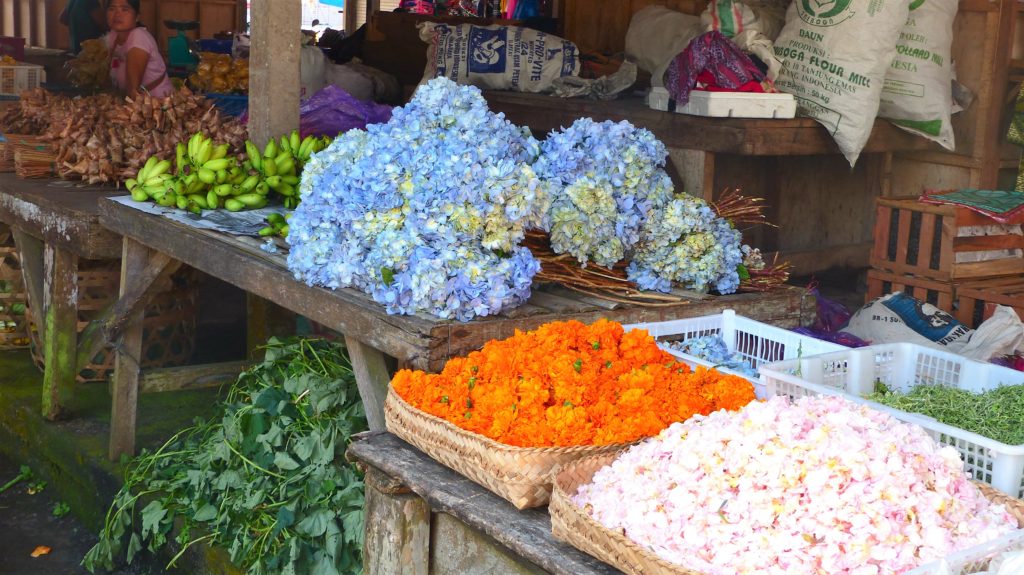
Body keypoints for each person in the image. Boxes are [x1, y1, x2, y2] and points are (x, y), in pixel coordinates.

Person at [105, 0, 174, 98]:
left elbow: (133, 90)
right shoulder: (114, 36)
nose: (117, 14)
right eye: (112, 9)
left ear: (137, 17)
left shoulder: (138, 37)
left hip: (157, 104)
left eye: (125, 9)